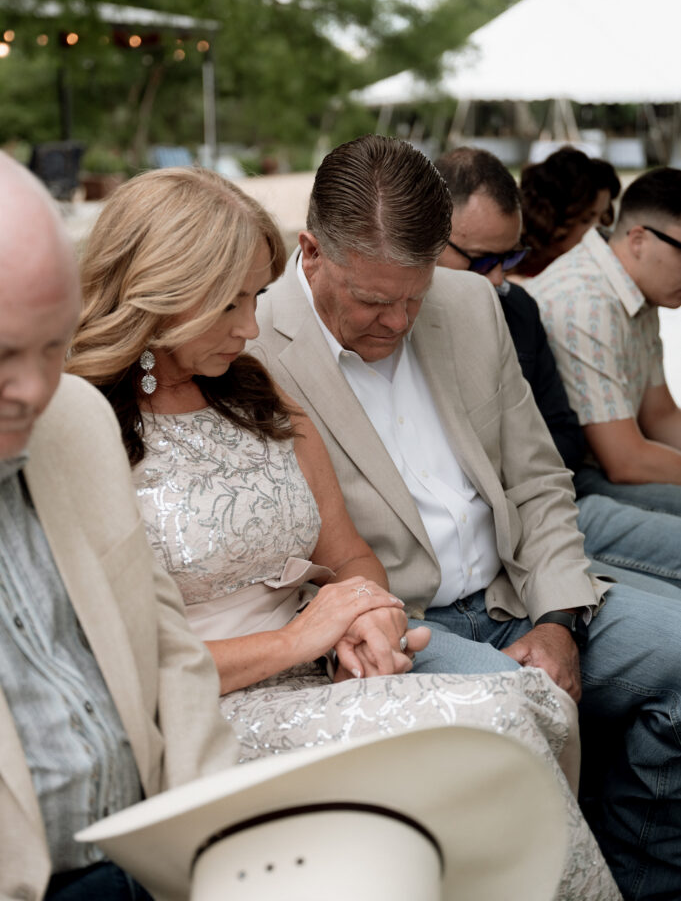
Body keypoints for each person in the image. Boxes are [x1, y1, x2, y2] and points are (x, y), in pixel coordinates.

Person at [67, 165, 619, 901]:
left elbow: (349, 554)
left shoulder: (257, 394)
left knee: (531, 703)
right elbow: (113, 663)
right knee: (493, 721)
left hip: (322, 677)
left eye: (256, 298)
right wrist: (303, 636)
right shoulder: (78, 428)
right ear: (157, 292)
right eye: (227, 304)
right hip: (201, 713)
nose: (250, 328)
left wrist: (372, 616)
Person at [253, 133, 681, 901]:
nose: (397, 322)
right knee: (516, 715)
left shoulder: (470, 302)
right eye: (373, 301)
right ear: (310, 251)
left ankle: (645, 879)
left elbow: (541, 481)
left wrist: (556, 617)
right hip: (402, 626)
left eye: (413, 296)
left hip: (517, 591)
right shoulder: (254, 344)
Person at [0, 153, 240, 901]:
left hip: (156, 852)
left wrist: (212, 846)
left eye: (54, 345)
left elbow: (170, 651)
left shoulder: (76, 419)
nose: (38, 389)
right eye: (4, 354)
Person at [435, 146, 681, 595]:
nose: (498, 280)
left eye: (508, 259)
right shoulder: (582, 300)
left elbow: (580, 433)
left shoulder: (518, 310)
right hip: (549, 503)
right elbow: (623, 460)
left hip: (551, 496)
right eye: (483, 259)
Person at [529, 165, 681, 515]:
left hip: (603, 469)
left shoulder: (639, 287)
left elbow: (660, 415)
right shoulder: (584, 302)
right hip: (564, 488)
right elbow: (625, 461)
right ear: (639, 240)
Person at [516, 146, 620, 276]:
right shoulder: (513, 275)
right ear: (550, 215)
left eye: (602, 216)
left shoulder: (596, 265)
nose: (597, 229)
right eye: (586, 219)